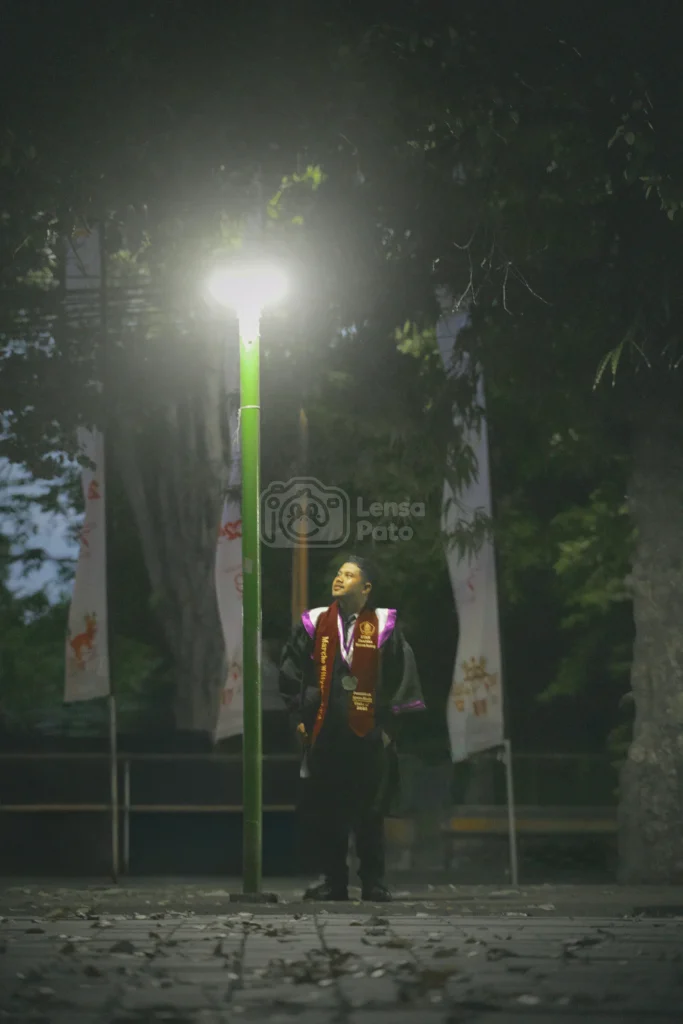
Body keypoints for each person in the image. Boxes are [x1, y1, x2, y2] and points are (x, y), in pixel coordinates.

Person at [278, 554, 425, 901]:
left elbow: (402, 678)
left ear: (367, 587)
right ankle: (334, 882)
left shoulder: (385, 626)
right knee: (329, 812)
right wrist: (302, 716)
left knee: (370, 812)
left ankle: (373, 882)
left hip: (369, 733)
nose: (339, 578)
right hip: (326, 733)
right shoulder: (315, 623)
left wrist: (390, 728)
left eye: (349, 574)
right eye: (338, 573)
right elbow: (291, 671)